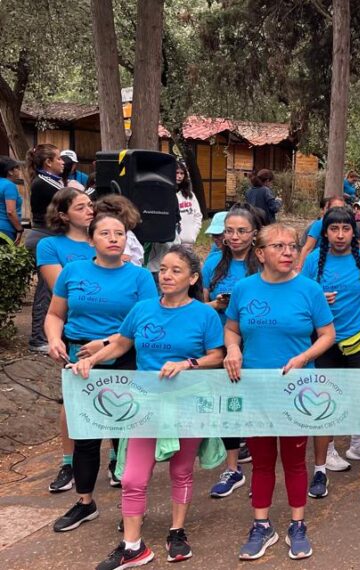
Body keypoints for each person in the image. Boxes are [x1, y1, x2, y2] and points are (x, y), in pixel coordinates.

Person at [77, 246, 224, 569]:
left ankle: (177, 531)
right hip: (145, 406)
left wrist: (188, 364)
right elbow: (120, 343)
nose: (166, 276)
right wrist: (91, 360)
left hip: (188, 404)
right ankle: (133, 547)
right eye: (163, 269)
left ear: (193, 277)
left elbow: (218, 356)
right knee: (132, 477)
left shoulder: (204, 314)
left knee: (181, 471)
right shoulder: (142, 309)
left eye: (176, 270)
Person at [224, 223, 335, 561]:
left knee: (294, 460)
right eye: (279, 246)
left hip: (298, 389)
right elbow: (231, 329)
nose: (288, 252)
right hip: (256, 387)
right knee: (261, 460)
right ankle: (262, 525)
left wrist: (303, 358)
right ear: (260, 254)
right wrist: (232, 349)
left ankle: (297, 524)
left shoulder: (309, 290)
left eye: (292, 246)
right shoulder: (244, 289)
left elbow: (328, 335)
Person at [46, 212, 159, 533]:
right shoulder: (73, 272)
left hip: (125, 359)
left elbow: (148, 323)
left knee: (127, 439)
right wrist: (55, 339)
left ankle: (131, 507)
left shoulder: (139, 278)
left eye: (119, 233)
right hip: (79, 360)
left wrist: (105, 343)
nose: (113, 238)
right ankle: (85, 503)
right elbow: (56, 314)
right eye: (105, 233)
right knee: (85, 437)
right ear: (92, 239)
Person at [300, 207, 360, 500]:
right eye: (333, 229)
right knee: (321, 407)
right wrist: (317, 299)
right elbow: (302, 296)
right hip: (324, 345)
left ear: (354, 232)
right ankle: (321, 469)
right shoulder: (313, 261)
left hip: (359, 343)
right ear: (324, 232)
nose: (339, 235)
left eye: (345, 229)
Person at [38, 188, 96, 494]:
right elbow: (64, 290)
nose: (90, 210)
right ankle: (68, 462)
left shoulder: (103, 240)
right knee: (72, 399)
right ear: (63, 215)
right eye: (81, 207)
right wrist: (54, 337)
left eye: (91, 205)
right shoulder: (50, 246)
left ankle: (114, 458)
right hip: (76, 332)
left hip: (110, 335)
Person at [202, 206, 262, 497]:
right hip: (221, 343)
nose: (235, 237)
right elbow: (201, 306)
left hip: (257, 342)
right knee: (228, 404)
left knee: (256, 405)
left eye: (242, 231)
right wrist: (217, 305)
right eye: (229, 231)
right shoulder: (212, 264)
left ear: (254, 235)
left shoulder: (264, 263)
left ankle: (263, 471)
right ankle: (232, 467)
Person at [26, 143, 66, 353]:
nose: (62, 162)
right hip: (44, 238)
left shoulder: (51, 181)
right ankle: (38, 338)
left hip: (51, 237)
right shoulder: (44, 183)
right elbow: (69, 199)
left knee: (54, 290)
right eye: (58, 158)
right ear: (48, 162)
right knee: (46, 291)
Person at [299, 196, 349, 269]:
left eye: (341, 208)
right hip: (319, 264)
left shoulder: (348, 225)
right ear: (327, 209)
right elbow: (307, 248)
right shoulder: (320, 224)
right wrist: (301, 267)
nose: (338, 211)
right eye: (334, 208)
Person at [176, 161, 202, 245]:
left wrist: (193, 234)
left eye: (182, 173)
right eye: (176, 173)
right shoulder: (167, 194)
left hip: (188, 242)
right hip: (172, 243)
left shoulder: (190, 195)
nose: (179, 176)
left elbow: (198, 215)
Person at [0, 156, 23, 243]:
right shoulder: (9, 185)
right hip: (5, 231)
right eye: (17, 168)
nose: (19, 171)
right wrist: (19, 229)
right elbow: (10, 211)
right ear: (10, 171)